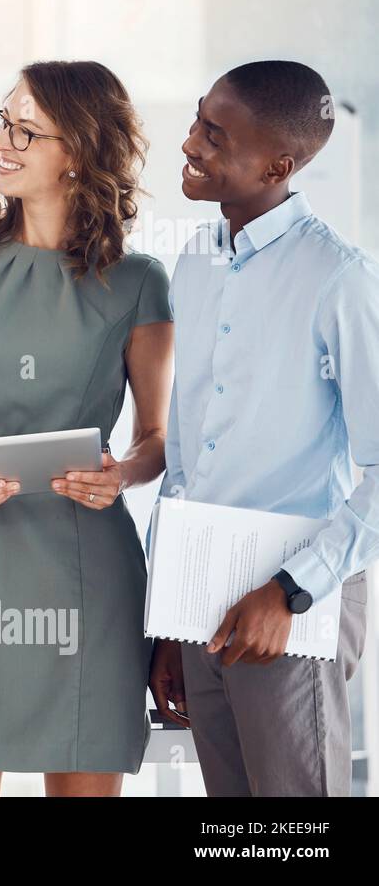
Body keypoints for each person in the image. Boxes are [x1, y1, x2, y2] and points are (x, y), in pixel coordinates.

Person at [0, 61, 174, 797]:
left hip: (88, 566)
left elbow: (156, 437)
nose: (3, 141)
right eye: (2, 121)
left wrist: (121, 474)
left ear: (77, 150)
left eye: (26, 129)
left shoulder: (140, 281)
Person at [148, 60, 374, 797]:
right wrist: (171, 619)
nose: (191, 143)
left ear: (280, 165)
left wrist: (292, 590)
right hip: (202, 598)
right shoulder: (196, 260)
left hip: (290, 596)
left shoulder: (338, 279)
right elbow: (186, 457)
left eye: (217, 136)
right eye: (198, 119)